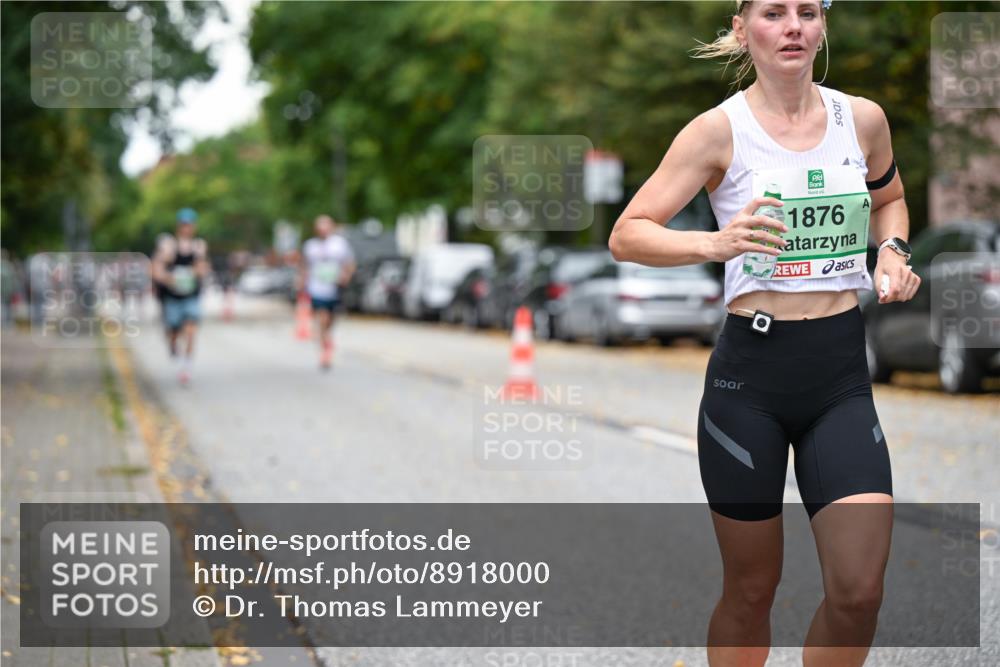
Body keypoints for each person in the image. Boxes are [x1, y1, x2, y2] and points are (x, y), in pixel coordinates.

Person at [608, 2, 920, 665]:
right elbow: (627, 233)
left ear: (823, 26)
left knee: (859, 591)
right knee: (752, 589)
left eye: (808, 11)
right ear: (743, 27)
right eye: (774, 12)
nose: (794, 26)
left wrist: (893, 251)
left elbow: (889, 199)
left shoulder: (860, 120)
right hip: (749, 380)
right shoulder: (717, 133)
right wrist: (715, 242)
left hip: (839, 373)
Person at [151, 208, 209, 386]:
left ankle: (186, 368)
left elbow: (203, 268)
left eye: (190, 225)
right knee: (174, 332)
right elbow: (156, 268)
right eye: (184, 224)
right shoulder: (168, 245)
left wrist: (194, 272)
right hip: (172, 297)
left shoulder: (199, 246)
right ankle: (173, 343)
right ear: (179, 226)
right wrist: (169, 277)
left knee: (191, 330)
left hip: (190, 296)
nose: (187, 228)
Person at [299, 215, 356, 370]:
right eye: (320, 227)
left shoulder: (340, 244)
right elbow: (304, 266)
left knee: (331, 320)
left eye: (326, 226)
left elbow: (350, 263)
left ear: (331, 227)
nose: (323, 230)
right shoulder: (310, 246)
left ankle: (326, 339)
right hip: (317, 288)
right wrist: (302, 283)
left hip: (335, 288)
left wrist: (346, 276)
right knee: (322, 318)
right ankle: (326, 351)